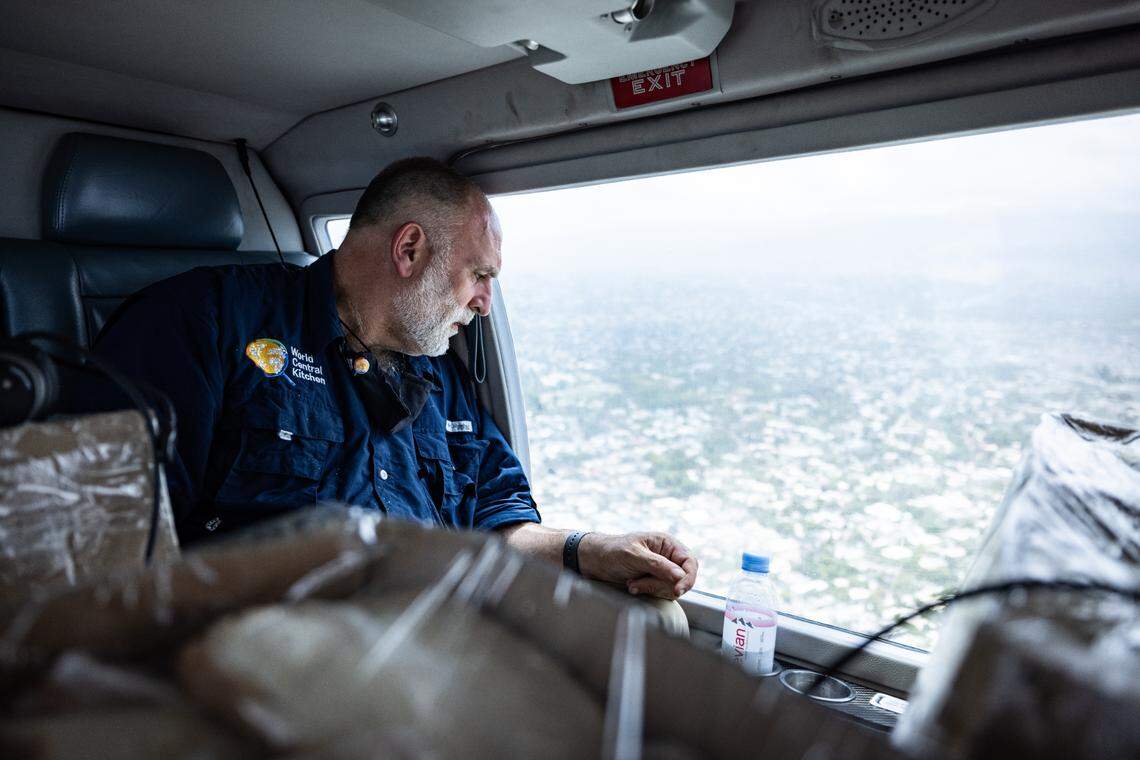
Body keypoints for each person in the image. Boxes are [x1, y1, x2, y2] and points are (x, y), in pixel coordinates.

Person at [96, 157, 698, 600]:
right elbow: (114, 543)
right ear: (409, 249)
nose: (485, 303)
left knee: (657, 621)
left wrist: (589, 550)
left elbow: (497, 519)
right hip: (270, 655)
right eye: (479, 275)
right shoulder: (207, 323)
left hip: (428, 638)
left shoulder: (438, 376)